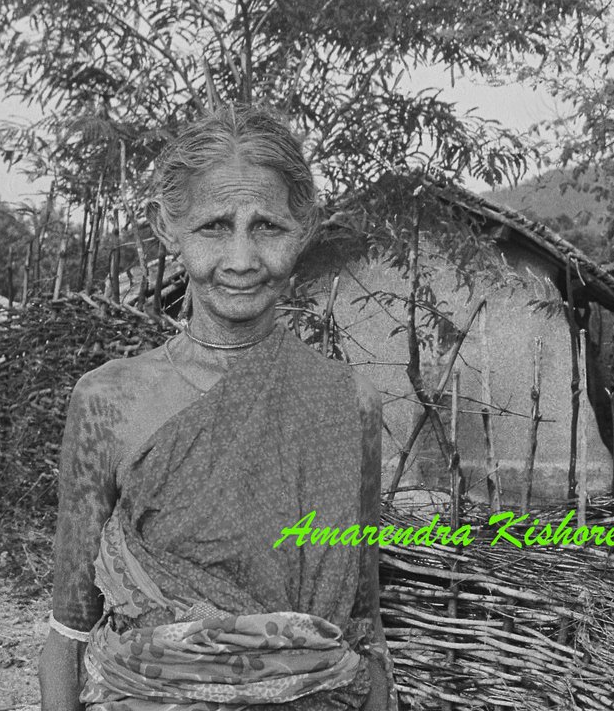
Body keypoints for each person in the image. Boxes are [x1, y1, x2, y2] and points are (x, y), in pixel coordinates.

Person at [38, 105, 394, 711]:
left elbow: (363, 623)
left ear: (304, 228)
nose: (241, 259)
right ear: (166, 228)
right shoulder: (110, 401)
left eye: (268, 227)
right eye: (214, 227)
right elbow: (70, 629)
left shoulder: (346, 401)